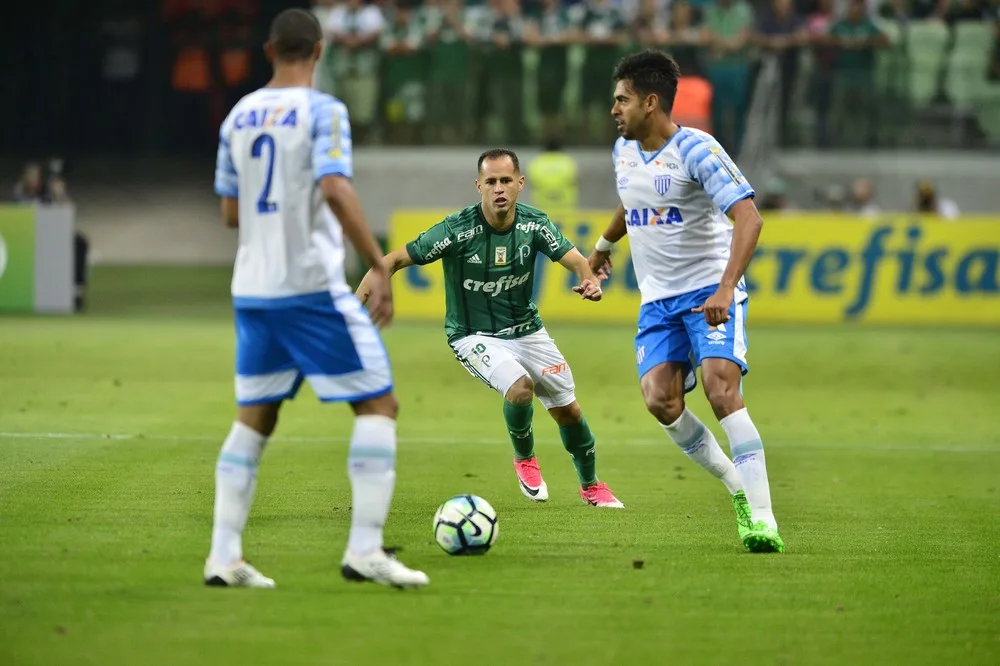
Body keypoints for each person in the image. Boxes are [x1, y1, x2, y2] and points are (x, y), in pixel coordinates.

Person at [207, 8, 429, 590]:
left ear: (268, 50)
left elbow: (231, 212)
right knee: (379, 407)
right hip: (308, 287)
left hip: (252, 289)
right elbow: (334, 186)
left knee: (255, 418)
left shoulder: (238, 115)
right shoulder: (323, 110)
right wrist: (379, 263)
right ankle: (365, 549)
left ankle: (224, 556)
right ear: (321, 50)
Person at [588, 50, 784, 552]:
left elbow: (750, 218)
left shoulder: (698, 150)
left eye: (622, 100)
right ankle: (735, 488)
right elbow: (632, 199)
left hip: (707, 293)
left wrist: (724, 287)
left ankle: (762, 519)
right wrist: (604, 247)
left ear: (650, 103)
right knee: (661, 401)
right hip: (658, 301)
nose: (614, 109)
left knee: (721, 391)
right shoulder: (623, 151)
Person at [356, 148, 625, 508]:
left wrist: (589, 280)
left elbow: (577, 261)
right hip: (472, 335)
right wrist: (353, 309)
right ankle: (525, 458)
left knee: (569, 412)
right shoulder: (456, 230)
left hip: (527, 330)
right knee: (520, 388)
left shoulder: (534, 224)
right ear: (479, 185)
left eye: (506, 181)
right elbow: (391, 260)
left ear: (520, 184)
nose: (499, 189)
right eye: (492, 182)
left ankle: (591, 486)